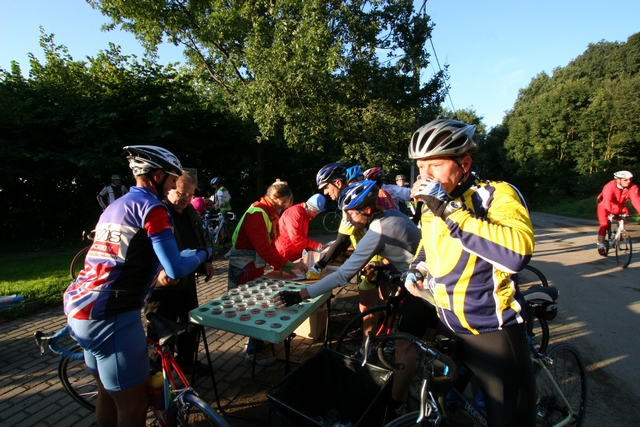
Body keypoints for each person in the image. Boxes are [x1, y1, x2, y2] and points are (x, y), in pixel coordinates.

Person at [64, 146, 211, 427]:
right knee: (134, 404)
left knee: (108, 392)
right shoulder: (153, 208)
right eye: (171, 179)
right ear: (157, 176)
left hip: (80, 308)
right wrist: (204, 254)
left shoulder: (115, 206)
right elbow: (175, 268)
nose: (173, 185)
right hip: (113, 315)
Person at [404, 119, 536, 427]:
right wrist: (417, 268)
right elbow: (429, 243)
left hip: (493, 333)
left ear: (464, 164)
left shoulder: (495, 195)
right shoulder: (432, 202)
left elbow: (516, 254)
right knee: (441, 410)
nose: (425, 176)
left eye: (435, 165)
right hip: (449, 326)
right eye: (421, 167)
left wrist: (447, 208)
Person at [275, 180, 438, 417]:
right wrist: (384, 265)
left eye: (351, 214)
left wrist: (300, 295)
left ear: (368, 210)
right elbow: (406, 246)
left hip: (424, 287)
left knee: (404, 346)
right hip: (434, 277)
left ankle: (396, 406)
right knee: (426, 339)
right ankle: (423, 376)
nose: (348, 220)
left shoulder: (377, 231)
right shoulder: (392, 214)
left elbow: (343, 275)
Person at [226, 179, 307, 365]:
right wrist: (288, 266)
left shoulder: (267, 212)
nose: (284, 207)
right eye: (284, 202)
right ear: (275, 197)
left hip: (252, 266)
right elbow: (263, 248)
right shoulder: (258, 213)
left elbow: (268, 246)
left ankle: (254, 343)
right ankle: (253, 352)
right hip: (245, 268)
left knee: (256, 305)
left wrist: (281, 265)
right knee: (255, 308)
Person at [143, 171, 214, 375]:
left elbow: (200, 236)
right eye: (182, 193)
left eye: (190, 195)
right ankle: (157, 374)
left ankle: (186, 363)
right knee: (159, 330)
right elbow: (144, 247)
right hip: (161, 286)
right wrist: (158, 271)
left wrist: (207, 260)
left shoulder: (190, 211)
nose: (185, 199)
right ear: (171, 188)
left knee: (190, 322)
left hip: (187, 278)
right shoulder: (157, 211)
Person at [595, 170, 640, 255]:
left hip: (619, 206)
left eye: (630, 179)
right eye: (625, 180)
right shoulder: (609, 186)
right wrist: (608, 212)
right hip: (605, 206)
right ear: (618, 180)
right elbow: (607, 199)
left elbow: (636, 200)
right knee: (604, 224)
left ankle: (619, 230)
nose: (629, 181)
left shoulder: (632, 187)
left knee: (626, 212)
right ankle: (601, 245)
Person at [275, 193, 326, 261]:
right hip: (285, 252)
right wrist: (316, 245)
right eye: (314, 212)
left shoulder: (305, 215)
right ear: (309, 207)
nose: (314, 216)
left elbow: (302, 237)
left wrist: (310, 248)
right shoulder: (295, 213)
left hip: (294, 251)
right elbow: (295, 237)